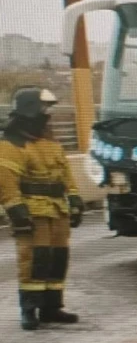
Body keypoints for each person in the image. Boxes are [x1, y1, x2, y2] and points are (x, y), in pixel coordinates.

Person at [0, 87, 83, 330]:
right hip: (32, 211)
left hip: (56, 211)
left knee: (57, 258)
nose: (48, 114)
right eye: (44, 108)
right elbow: (6, 182)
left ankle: (51, 308)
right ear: (30, 110)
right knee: (34, 259)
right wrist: (16, 211)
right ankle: (29, 309)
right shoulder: (11, 144)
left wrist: (75, 198)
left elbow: (65, 173)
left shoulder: (49, 142)